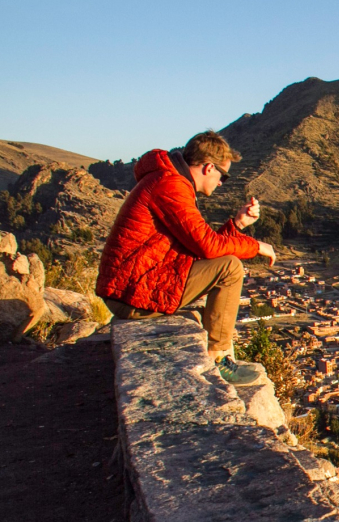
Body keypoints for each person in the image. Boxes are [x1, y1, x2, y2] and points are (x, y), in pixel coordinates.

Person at [96, 130, 274, 383]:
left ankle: (218, 354)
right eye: (223, 175)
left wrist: (238, 225)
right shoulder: (170, 185)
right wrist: (255, 246)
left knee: (225, 265)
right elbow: (208, 247)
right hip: (133, 295)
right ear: (208, 167)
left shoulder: (168, 181)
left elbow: (199, 246)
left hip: (134, 286)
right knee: (231, 268)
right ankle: (219, 358)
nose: (222, 183)